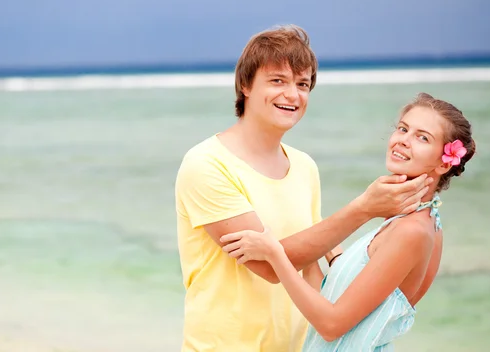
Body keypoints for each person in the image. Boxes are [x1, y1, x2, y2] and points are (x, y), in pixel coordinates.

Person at [174, 24, 433, 351]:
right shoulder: (207, 163)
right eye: (277, 81)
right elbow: (267, 268)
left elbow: (311, 266)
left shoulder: (304, 167)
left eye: (303, 84)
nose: (293, 95)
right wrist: (364, 208)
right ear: (245, 85)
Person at [220, 92, 476, 351]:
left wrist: (275, 254)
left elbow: (331, 326)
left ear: (444, 164)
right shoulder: (425, 220)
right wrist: (317, 248)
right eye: (403, 129)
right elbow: (337, 306)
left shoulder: (412, 230)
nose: (403, 141)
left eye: (422, 137)